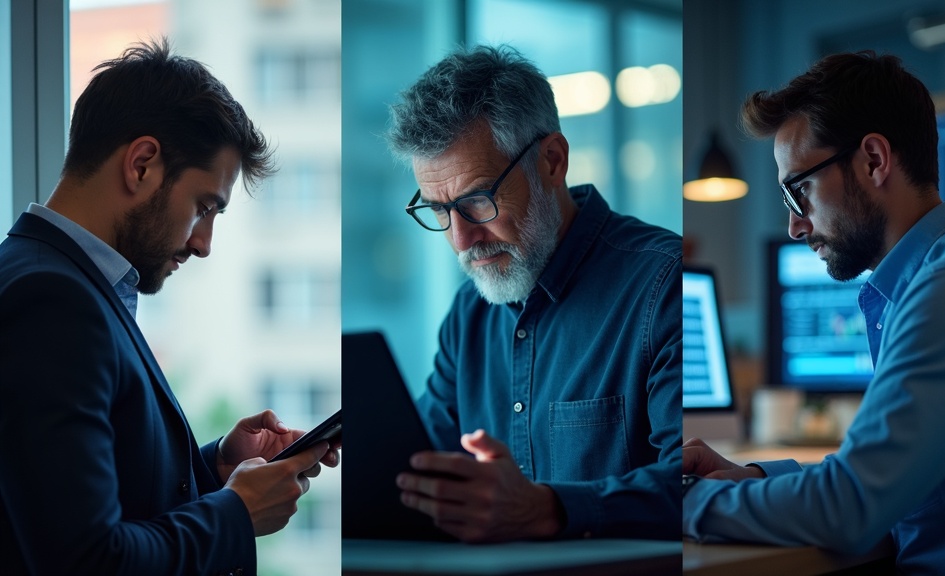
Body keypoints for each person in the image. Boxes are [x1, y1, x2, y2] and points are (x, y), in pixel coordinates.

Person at [0, 39, 339, 575]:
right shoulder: (52, 300)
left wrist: (216, 468)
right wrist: (237, 512)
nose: (204, 244)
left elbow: (90, 502)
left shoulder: (63, 281)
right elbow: (85, 561)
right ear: (142, 165)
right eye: (204, 207)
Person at [682, 51, 945, 573]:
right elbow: (885, 481)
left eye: (799, 191)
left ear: (874, 160)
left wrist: (681, 501)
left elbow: (851, 507)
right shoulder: (931, 284)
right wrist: (755, 478)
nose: (795, 226)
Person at [383, 44, 682, 543]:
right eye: (438, 210)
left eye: (477, 200)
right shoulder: (469, 313)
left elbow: (693, 482)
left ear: (552, 161)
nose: (461, 240)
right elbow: (418, 467)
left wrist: (547, 510)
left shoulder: (664, 285)